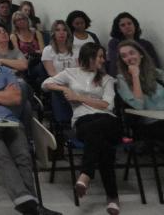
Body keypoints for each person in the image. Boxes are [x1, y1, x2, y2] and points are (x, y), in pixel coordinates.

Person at [0, 38, 61, 215]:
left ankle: (30, 205)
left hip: (10, 122)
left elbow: (16, 99)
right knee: (2, 155)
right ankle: (31, 206)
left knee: (23, 156)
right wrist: (2, 96)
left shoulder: (6, 72)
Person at [42, 43, 121, 215]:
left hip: (109, 121)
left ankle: (86, 174)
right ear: (88, 57)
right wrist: (64, 88)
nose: (103, 60)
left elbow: (107, 106)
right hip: (83, 120)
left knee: (99, 128)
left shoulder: (107, 79)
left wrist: (78, 97)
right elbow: (45, 84)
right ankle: (112, 197)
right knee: (102, 144)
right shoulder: (70, 73)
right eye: (99, 56)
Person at [107, 12, 161, 77]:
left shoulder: (146, 44)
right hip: (124, 78)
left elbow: (155, 65)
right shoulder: (114, 43)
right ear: (118, 29)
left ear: (135, 25)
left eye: (129, 23)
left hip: (146, 77)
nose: (127, 26)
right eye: (123, 25)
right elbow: (115, 65)